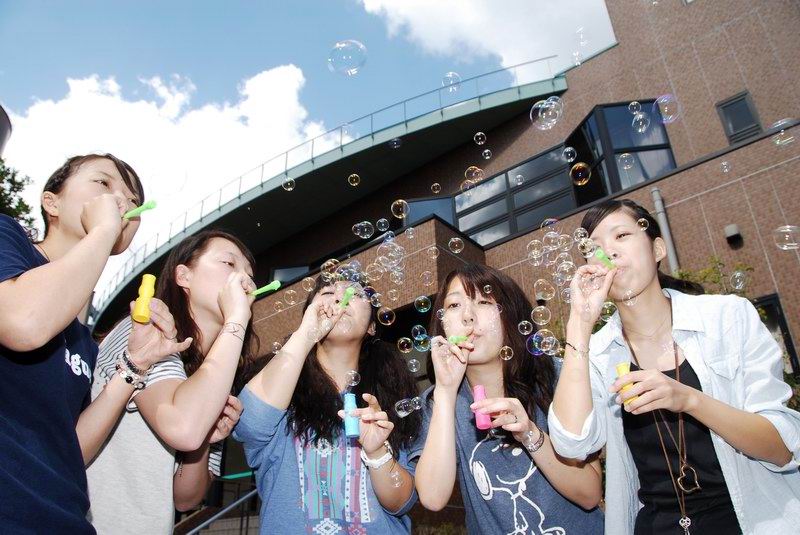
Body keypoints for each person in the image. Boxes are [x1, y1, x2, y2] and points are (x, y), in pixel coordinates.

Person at [548, 198, 800, 534]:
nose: (608, 252)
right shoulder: (596, 353)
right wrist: (579, 323)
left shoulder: (727, 316)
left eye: (621, 236)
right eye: (593, 248)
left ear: (657, 249)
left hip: (752, 521)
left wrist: (689, 400)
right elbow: (572, 444)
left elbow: (782, 448)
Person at [0, 154, 188, 533]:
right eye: (103, 184)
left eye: (133, 202)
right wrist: (102, 232)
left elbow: (73, 448)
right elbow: (22, 323)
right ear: (51, 202)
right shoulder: (7, 237)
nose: (122, 202)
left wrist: (136, 363)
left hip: (63, 517)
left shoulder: (83, 339)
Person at [86, 230, 260, 534]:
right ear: (184, 276)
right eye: (229, 264)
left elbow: (185, 499)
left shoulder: (215, 375)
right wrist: (236, 320)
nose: (244, 279)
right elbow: (182, 426)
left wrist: (208, 440)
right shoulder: (143, 333)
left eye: (250, 274)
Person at [411, 263, 604, 534]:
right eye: (454, 305)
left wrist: (530, 435)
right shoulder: (440, 400)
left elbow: (589, 493)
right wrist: (445, 390)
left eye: (483, 301)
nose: (467, 316)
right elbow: (432, 497)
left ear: (509, 315)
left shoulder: (556, 376)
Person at [234, 263, 422, 533]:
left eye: (354, 293)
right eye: (327, 292)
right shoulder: (281, 391)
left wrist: (378, 451)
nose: (339, 297)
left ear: (371, 326)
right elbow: (249, 423)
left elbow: (401, 503)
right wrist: (307, 334)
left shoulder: (389, 400)